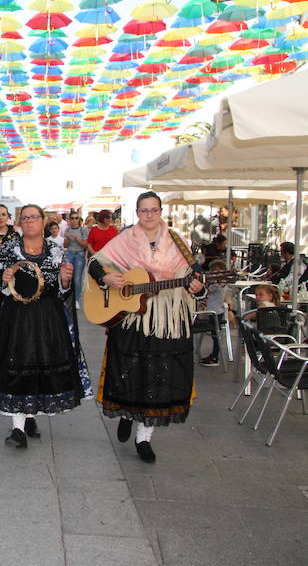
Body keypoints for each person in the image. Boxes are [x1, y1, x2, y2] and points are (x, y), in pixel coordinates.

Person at [87, 191, 205, 464]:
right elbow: (95, 263)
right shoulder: (125, 239)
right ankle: (128, 414)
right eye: (144, 210)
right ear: (137, 212)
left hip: (167, 319)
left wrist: (197, 288)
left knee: (159, 376)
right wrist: (107, 278)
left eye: (154, 210)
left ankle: (144, 437)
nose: (149, 215)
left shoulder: (178, 242)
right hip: (132, 318)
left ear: (161, 211)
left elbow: (195, 279)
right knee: (129, 371)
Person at [0, 204, 90, 449]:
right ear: (20, 223)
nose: (30, 221)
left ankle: (30, 415)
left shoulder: (55, 249)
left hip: (47, 318)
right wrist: (4, 278)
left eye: (34, 217)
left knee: (40, 366)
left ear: (43, 221)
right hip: (17, 317)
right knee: (17, 364)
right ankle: (18, 429)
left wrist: (65, 280)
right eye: (25, 218)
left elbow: (62, 290)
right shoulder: (10, 247)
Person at [196, 260, 232, 367]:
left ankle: (215, 357)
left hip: (214, 312)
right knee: (215, 335)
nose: (214, 274)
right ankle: (213, 355)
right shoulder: (222, 284)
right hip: (218, 311)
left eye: (217, 272)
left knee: (215, 335)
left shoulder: (216, 285)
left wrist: (204, 286)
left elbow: (206, 292)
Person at [63, 211, 90, 303]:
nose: (74, 220)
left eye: (76, 218)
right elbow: (65, 245)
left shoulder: (83, 230)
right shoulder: (67, 230)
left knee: (77, 278)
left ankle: (77, 299)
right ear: (69, 220)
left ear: (79, 219)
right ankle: (67, 297)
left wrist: (76, 238)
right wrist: (67, 238)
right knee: (67, 277)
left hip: (79, 254)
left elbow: (85, 245)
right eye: (72, 218)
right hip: (69, 253)